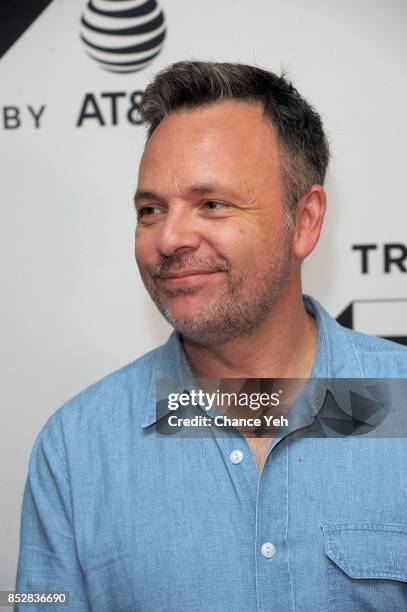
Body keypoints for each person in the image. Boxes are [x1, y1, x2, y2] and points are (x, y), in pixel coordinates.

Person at [16, 61, 407, 611]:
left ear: (308, 219)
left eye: (212, 204)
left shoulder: (401, 404)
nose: (170, 237)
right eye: (151, 209)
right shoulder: (78, 450)